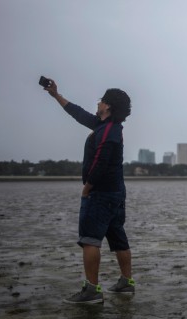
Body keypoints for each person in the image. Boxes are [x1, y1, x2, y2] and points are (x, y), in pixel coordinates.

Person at [43, 78, 135, 304]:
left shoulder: (108, 130)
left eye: (102, 100)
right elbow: (78, 113)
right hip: (115, 193)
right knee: (117, 236)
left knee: (90, 240)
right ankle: (126, 282)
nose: (98, 102)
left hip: (101, 194)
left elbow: (100, 162)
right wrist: (57, 95)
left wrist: (87, 188)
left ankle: (92, 291)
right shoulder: (104, 126)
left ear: (108, 107)